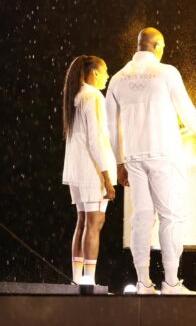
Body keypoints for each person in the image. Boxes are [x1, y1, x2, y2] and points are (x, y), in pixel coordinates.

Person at [106, 27, 196, 295]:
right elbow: (184, 107)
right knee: (171, 217)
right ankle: (172, 282)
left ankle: (143, 283)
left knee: (141, 218)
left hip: (134, 157)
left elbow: (110, 125)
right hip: (164, 154)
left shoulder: (118, 79)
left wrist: (119, 162)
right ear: (158, 46)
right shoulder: (166, 72)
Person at [62, 55, 116, 285]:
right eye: (105, 72)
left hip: (76, 169)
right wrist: (106, 176)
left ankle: (77, 279)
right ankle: (89, 280)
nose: (107, 76)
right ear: (94, 73)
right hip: (92, 170)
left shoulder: (75, 96)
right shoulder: (93, 96)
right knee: (94, 222)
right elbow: (95, 140)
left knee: (83, 221)